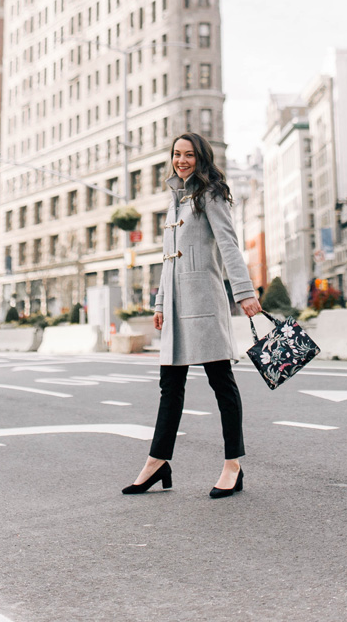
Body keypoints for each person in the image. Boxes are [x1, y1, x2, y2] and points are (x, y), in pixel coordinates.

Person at [122, 133, 262, 499]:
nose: (181, 160)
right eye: (176, 154)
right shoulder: (175, 200)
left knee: (222, 384)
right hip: (176, 308)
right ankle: (157, 462)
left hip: (204, 303)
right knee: (170, 388)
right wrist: (159, 303)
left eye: (188, 155)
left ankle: (233, 465)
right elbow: (168, 259)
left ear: (201, 158)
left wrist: (244, 292)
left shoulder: (210, 195)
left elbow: (229, 244)